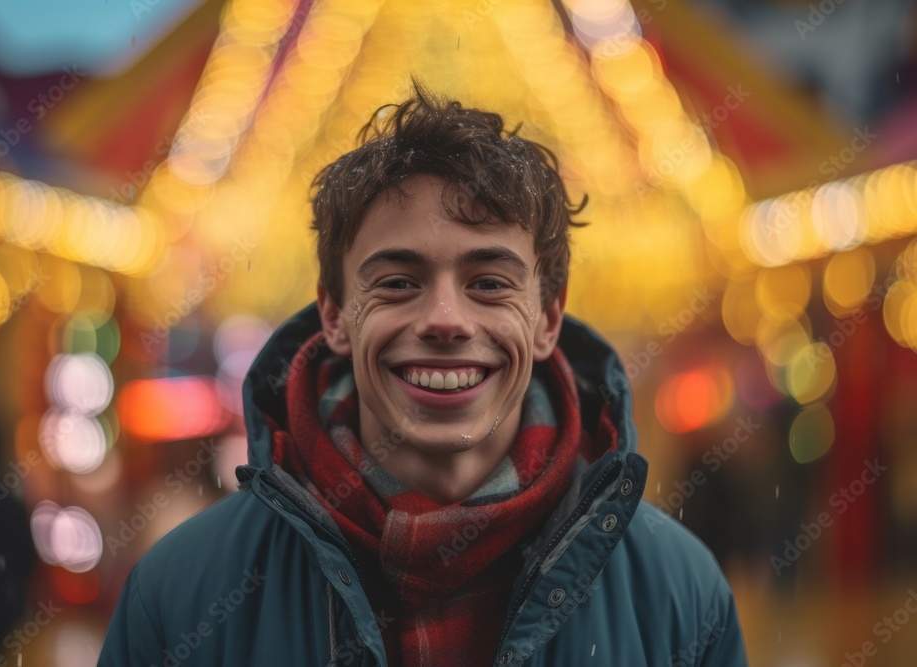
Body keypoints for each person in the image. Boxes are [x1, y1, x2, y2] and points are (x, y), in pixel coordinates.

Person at [98, 81, 749, 667]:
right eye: (399, 281)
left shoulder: (680, 597)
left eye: (489, 282)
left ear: (548, 316)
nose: (445, 319)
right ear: (334, 312)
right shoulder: (181, 594)